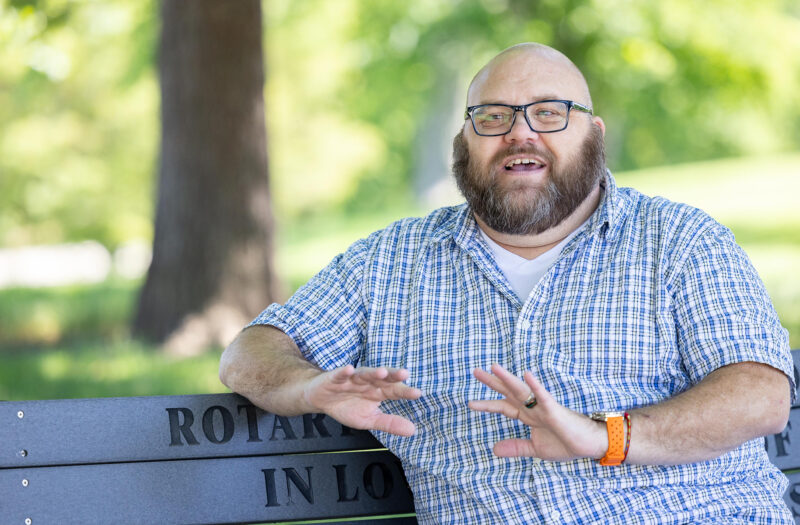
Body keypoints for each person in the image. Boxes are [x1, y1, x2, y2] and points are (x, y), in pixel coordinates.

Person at [219, 42, 795, 523]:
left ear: (593, 133)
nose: (520, 133)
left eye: (549, 112)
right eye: (492, 116)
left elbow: (760, 395)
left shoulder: (679, 240)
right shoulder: (388, 263)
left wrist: (604, 435)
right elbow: (251, 351)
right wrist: (308, 388)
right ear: (463, 142)